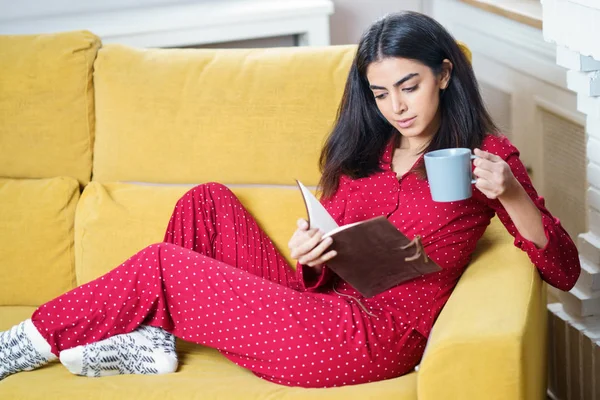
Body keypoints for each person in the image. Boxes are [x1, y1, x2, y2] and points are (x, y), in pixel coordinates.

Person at [0, 11, 581, 388]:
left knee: (163, 266)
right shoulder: (371, 150)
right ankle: (153, 344)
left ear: (445, 75)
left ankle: (20, 343)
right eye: (381, 93)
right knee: (207, 202)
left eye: (410, 87)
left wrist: (510, 192)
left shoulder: (488, 155)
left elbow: (563, 268)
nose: (397, 107)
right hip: (325, 306)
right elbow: (333, 261)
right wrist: (311, 250)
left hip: (375, 339)